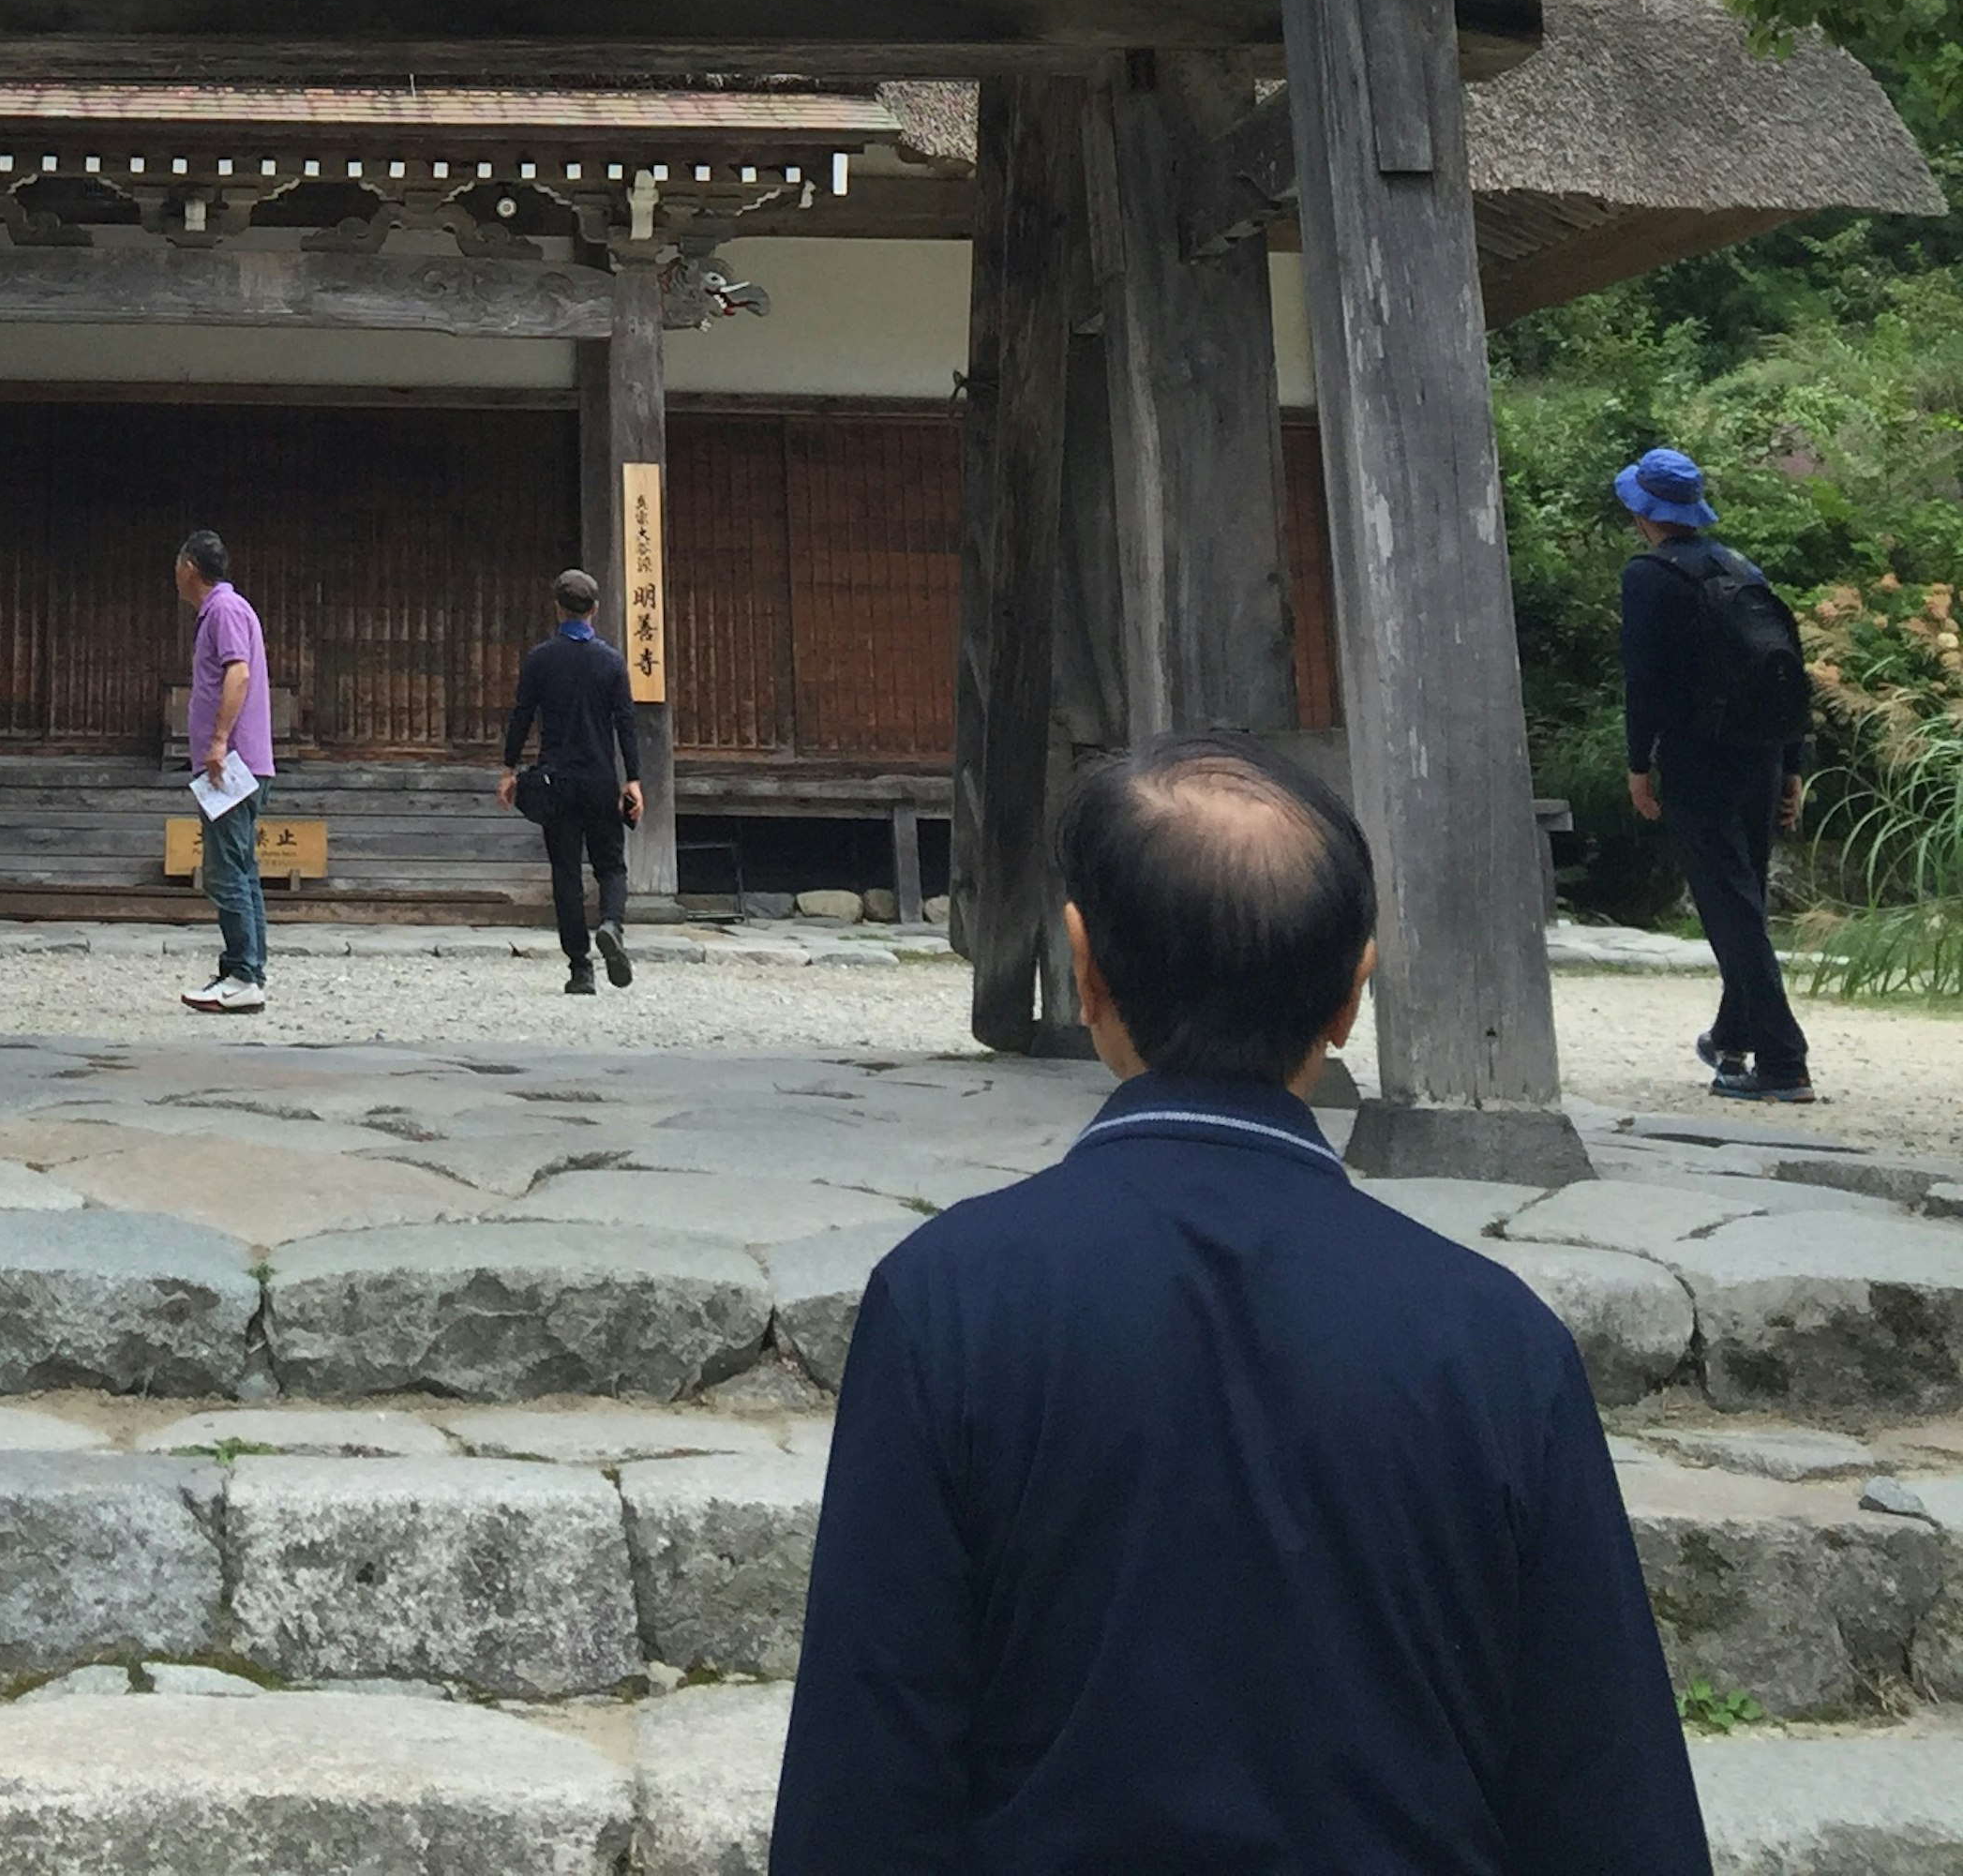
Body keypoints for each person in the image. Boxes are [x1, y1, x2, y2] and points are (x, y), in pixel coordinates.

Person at [777, 732, 1705, 1876]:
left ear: (1084, 965)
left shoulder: (946, 1301)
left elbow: (865, 1780)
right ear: (1351, 994)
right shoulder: (1497, 1335)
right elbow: (1606, 1789)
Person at [1618, 443, 1815, 1104]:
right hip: (1760, 755)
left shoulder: (1648, 576)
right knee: (1745, 901)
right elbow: (1786, 667)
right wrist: (1793, 766)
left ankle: (1784, 1062)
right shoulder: (1739, 566)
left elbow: (1644, 682)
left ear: (1644, 512)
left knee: (1731, 910)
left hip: (1696, 758)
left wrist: (1638, 764)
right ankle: (1733, 1037)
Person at [499, 565, 642, 993]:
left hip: (556, 782)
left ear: (558, 609)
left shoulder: (541, 659)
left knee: (565, 873)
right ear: (594, 611)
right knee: (611, 865)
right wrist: (633, 778)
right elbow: (627, 723)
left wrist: (508, 769)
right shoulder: (611, 662)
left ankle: (580, 969)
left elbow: (522, 715)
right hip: (601, 778)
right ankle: (613, 925)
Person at [174, 529, 273, 1014]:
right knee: (241, 869)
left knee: (225, 871)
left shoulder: (225, 610)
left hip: (232, 762)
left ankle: (241, 973)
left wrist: (217, 741)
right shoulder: (221, 611)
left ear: (189, 567)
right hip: (236, 761)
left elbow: (239, 672)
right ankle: (247, 969)